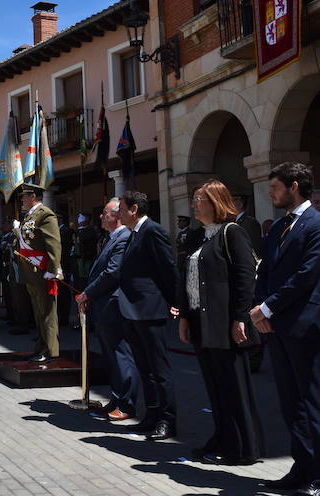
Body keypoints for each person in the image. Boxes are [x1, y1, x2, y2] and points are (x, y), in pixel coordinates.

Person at [177, 180, 264, 466]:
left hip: (226, 324)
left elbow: (245, 277)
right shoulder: (198, 236)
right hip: (201, 323)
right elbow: (187, 280)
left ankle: (243, 447)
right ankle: (223, 437)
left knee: (233, 386)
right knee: (215, 387)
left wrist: (240, 317)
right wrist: (184, 317)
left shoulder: (232, 232)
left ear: (215, 201)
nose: (194, 204)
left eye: (199, 199)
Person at [250, 163, 320, 493]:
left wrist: (267, 307)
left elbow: (306, 276)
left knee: (311, 401)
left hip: (304, 327)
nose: (270, 193)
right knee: (289, 402)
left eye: (275, 187)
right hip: (277, 326)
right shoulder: (279, 226)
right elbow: (265, 272)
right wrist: (262, 310)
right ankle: (302, 466)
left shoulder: (316, 224)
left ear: (293, 186)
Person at [117, 190, 178, 441]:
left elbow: (168, 269)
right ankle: (151, 416)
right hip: (133, 312)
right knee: (145, 369)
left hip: (150, 310)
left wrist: (175, 303)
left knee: (159, 369)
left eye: (122, 208)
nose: (119, 213)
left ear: (134, 210)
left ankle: (167, 420)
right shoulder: (134, 234)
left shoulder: (153, 231)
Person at [76, 199, 137, 422]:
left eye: (104, 213)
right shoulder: (111, 237)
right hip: (104, 306)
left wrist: (88, 293)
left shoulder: (123, 237)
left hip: (113, 305)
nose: (101, 217)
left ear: (117, 216)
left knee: (121, 355)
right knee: (111, 356)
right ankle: (117, 397)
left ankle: (126, 403)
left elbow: (112, 272)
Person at [15, 183, 63, 363]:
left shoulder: (45, 214)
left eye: (24, 196)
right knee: (38, 313)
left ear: (33, 196)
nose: (22, 200)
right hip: (31, 272)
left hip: (42, 271)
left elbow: (54, 244)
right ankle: (41, 346)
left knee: (47, 313)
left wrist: (53, 270)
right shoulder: (29, 216)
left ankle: (50, 350)